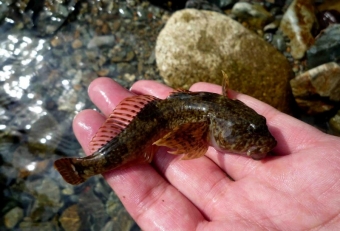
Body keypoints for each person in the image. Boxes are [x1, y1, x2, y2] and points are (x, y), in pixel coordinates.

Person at [73, 77, 340, 230]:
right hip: (149, 127)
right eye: (247, 135)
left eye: (256, 129)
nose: (260, 142)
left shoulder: (224, 112)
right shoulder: (206, 123)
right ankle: (85, 167)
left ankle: (83, 168)